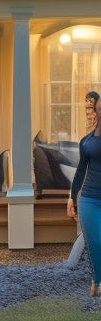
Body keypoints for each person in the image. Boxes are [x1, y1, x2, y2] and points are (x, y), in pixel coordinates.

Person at [69, 94, 101, 296]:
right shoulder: (86, 142)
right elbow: (81, 171)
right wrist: (72, 197)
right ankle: (97, 281)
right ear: (96, 111)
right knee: (95, 241)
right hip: (89, 198)